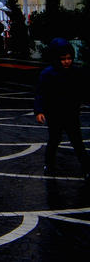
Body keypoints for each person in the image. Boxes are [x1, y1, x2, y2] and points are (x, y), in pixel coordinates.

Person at [34, 38, 89, 178]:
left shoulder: (75, 72)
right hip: (54, 113)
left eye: (69, 58)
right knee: (54, 139)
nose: (67, 61)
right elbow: (40, 93)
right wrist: (39, 111)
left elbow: (83, 90)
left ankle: (86, 167)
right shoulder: (47, 73)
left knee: (77, 141)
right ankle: (49, 164)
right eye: (63, 59)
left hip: (71, 112)